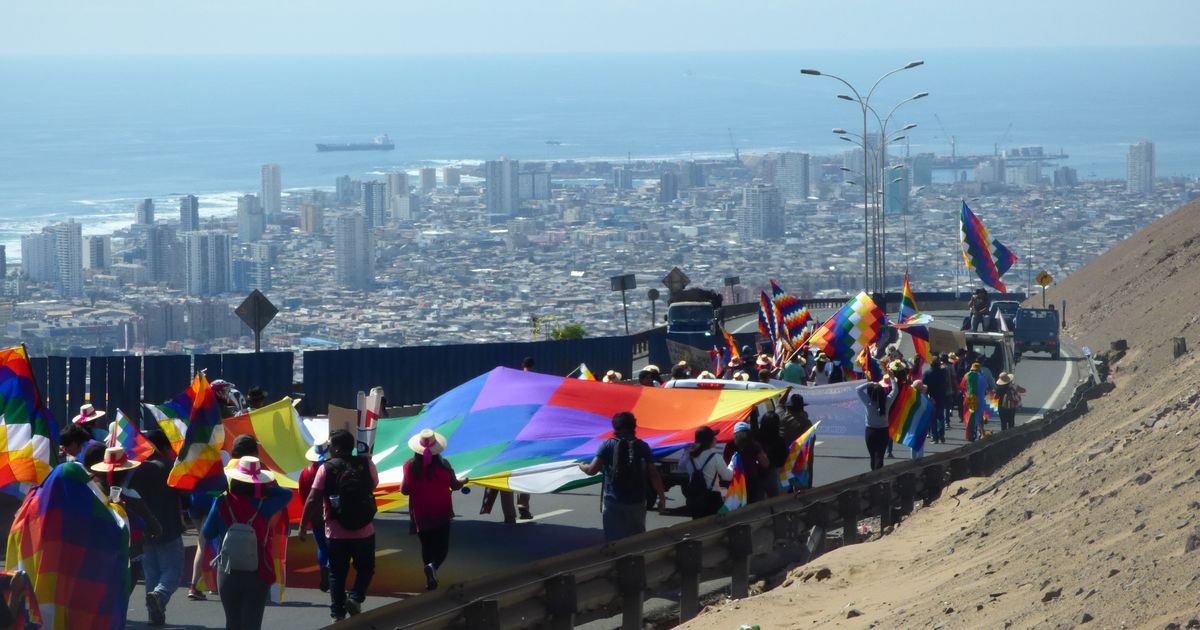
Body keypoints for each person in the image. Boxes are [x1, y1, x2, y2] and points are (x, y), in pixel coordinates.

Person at [202, 457, 292, 630]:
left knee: (233, 623)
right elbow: (286, 493)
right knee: (252, 623)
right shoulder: (265, 504)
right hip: (258, 570)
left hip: (228, 570)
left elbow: (208, 532)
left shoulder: (222, 502)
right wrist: (265, 487)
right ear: (257, 482)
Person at [300, 429, 379, 622]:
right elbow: (374, 484)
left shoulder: (325, 468)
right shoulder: (365, 463)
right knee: (366, 568)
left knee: (336, 574)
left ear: (335, 448)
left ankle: (337, 615)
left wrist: (303, 525)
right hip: (364, 531)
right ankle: (356, 598)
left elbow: (313, 498)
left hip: (336, 533)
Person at [578, 412, 667, 542]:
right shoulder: (642, 446)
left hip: (613, 502)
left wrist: (582, 465)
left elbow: (591, 470)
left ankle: (618, 561)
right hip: (637, 502)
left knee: (614, 542)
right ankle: (635, 561)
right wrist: (662, 497)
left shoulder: (607, 445)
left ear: (615, 427)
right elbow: (653, 474)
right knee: (637, 541)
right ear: (634, 426)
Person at [399, 429, 466, 591]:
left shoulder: (409, 466)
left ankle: (430, 579)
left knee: (427, 547)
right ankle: (433, 568)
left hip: (420, 514)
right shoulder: (444, 466)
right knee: (442, 548)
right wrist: (464, 481)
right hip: (441, 512)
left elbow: (404, 490)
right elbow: (455, 485)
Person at [135, 429, 184, 626]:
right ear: (163, 447)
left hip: (145, 529)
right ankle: (160, 595)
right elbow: (186, 494)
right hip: (168, 526)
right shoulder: (170, 467)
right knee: (173, 569)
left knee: (151, 572)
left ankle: (154, 613)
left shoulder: (138, 469)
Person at [299, 440, 331, 592]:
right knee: (335, 546)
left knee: (322, 547)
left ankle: (324, 568)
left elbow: (303, 497)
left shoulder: (305, 473)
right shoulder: (332, 469)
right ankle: (331, 569)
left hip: (315, 515)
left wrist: (304, 522)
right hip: (332, 513)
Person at [678, 426, 730, 518]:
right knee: (716, 527)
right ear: (709, 440)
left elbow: (681, 468)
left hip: (695, 499)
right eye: (714, 437)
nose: (716, 439)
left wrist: (686, 451)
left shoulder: (689, 457)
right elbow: (727, 476)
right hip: (713, 499)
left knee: (699, 527)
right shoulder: (715, 457)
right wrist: (733, 465)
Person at [857, 381, 898, 470]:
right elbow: (895, 390)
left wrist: (870, 383)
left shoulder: (868, 402)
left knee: (873, 457)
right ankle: (879, 475)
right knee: (880, 456)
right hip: (883, 432)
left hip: (870, 431)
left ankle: (873, 474)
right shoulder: (887, 401)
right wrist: (891, 377)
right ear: (883, 393)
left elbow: (858, 389)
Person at [757, 412, 787, 498]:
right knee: (775, 499)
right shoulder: (779, 441)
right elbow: (782, 460)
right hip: (774, 472)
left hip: (758, 472)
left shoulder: (757, 438)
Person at [922, 357, 951, 444]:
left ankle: (935, 437)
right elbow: (946, 383)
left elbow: (924, 386)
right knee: (941, 416)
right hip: (941, 396)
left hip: (931, 397)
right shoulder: (943, 372)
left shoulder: (927, 373)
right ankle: (941, 435)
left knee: (933, 418)